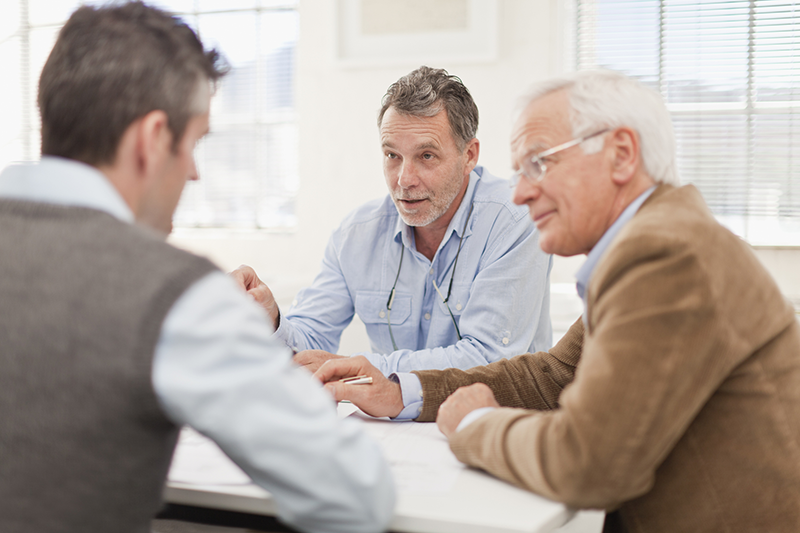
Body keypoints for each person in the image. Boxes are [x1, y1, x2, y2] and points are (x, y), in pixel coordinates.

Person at [314, 69, 800, 531]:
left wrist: (478, 424)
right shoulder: (660, 240)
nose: (520, 193)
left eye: (539, 163)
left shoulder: (664, 256)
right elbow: (553, 375)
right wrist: (401, 390)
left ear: (621, 155)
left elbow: (591, 461)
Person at [0, 3, 393, 533]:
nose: (193, 174)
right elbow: (357, 492)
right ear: (153, 139)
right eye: (193, 144)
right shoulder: (172, 293)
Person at [233, 66, 552, 376]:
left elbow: (490, 360)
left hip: (497, 420)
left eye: (426, 156)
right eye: (392, 156)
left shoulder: (516, 220)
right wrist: (272, 319)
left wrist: (363, 369)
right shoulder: (355, 236)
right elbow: (309, 346)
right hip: (395, 426)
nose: (404, 179)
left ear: (469, 155)